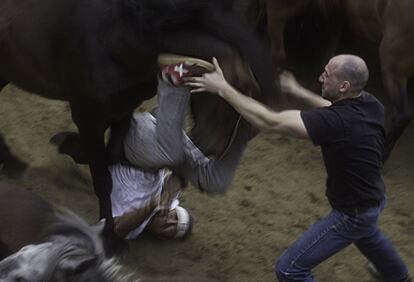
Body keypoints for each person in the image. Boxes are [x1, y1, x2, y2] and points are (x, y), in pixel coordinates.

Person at [185, 55, 410, 282]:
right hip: (374, 198)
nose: (320, 77)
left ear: (344, 86)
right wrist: (297, 90)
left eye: (327, 74)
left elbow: (269, 121)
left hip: (352, 213)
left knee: (290, 269)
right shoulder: (371, 104)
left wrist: (223, 88)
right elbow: (333, 108)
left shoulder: (335, 123)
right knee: (367, 232)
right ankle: (398, 276)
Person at [110, 163, 193, 240]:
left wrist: (150, 207)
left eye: (173, 228)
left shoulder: (134, 230)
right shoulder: (168, 197)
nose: (169, 221)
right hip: (149, 158)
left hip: (121, 159)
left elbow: (116, 229)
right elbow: (182, 171)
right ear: (173, 209)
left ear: (162, 237)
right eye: (175, 216)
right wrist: (178, 180)